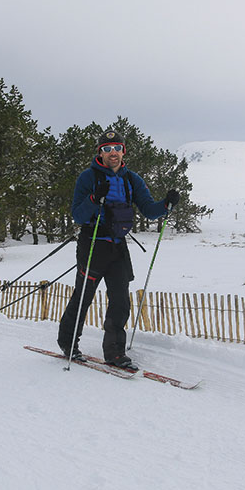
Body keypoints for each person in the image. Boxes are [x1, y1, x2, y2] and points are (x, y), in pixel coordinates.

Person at [57, 128, 181, 370]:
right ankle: (68, 343)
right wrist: (94, 199)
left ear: (123, 151)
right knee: (83, 299)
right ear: (100, 153)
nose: (112, 153)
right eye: (107, 149)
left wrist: (166, 204)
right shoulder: (88, 177)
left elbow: (149, 209)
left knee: (120, 301)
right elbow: (77, 215)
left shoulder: (131, 179)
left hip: (117, 248)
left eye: (117, 148)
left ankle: (114, 353)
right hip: (92, 244)